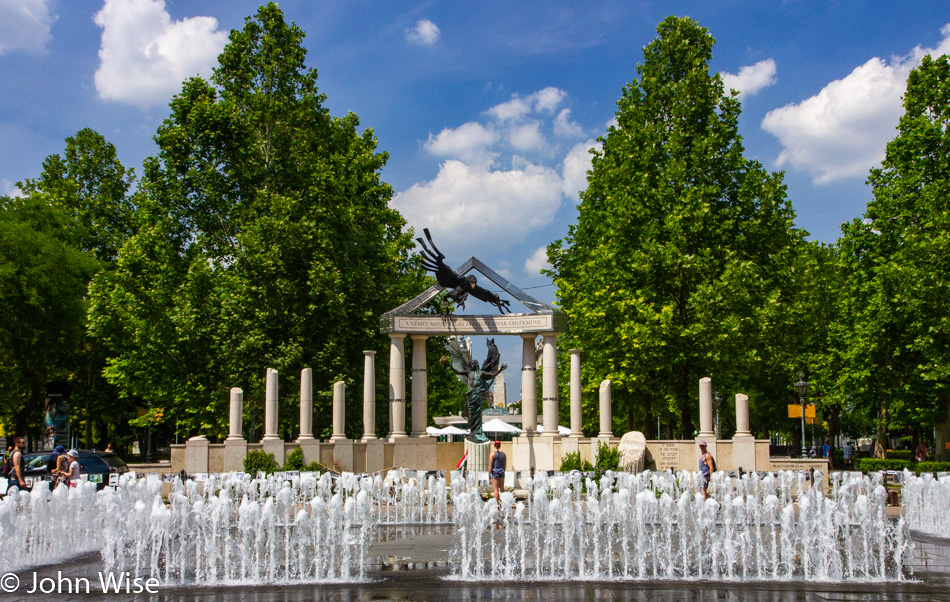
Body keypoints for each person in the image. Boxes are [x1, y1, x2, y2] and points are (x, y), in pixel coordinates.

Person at [489, 440, 506, 508]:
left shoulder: (492, 454)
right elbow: (505, 465)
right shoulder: (503, 454)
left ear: (494, 445)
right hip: (501, 472)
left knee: (495, 489)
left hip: (495, 472)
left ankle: (497, 504)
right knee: (502, 488)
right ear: (500, 445)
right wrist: (502, 471)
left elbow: (490, 465)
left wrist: (489, 474)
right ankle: (505, 502)